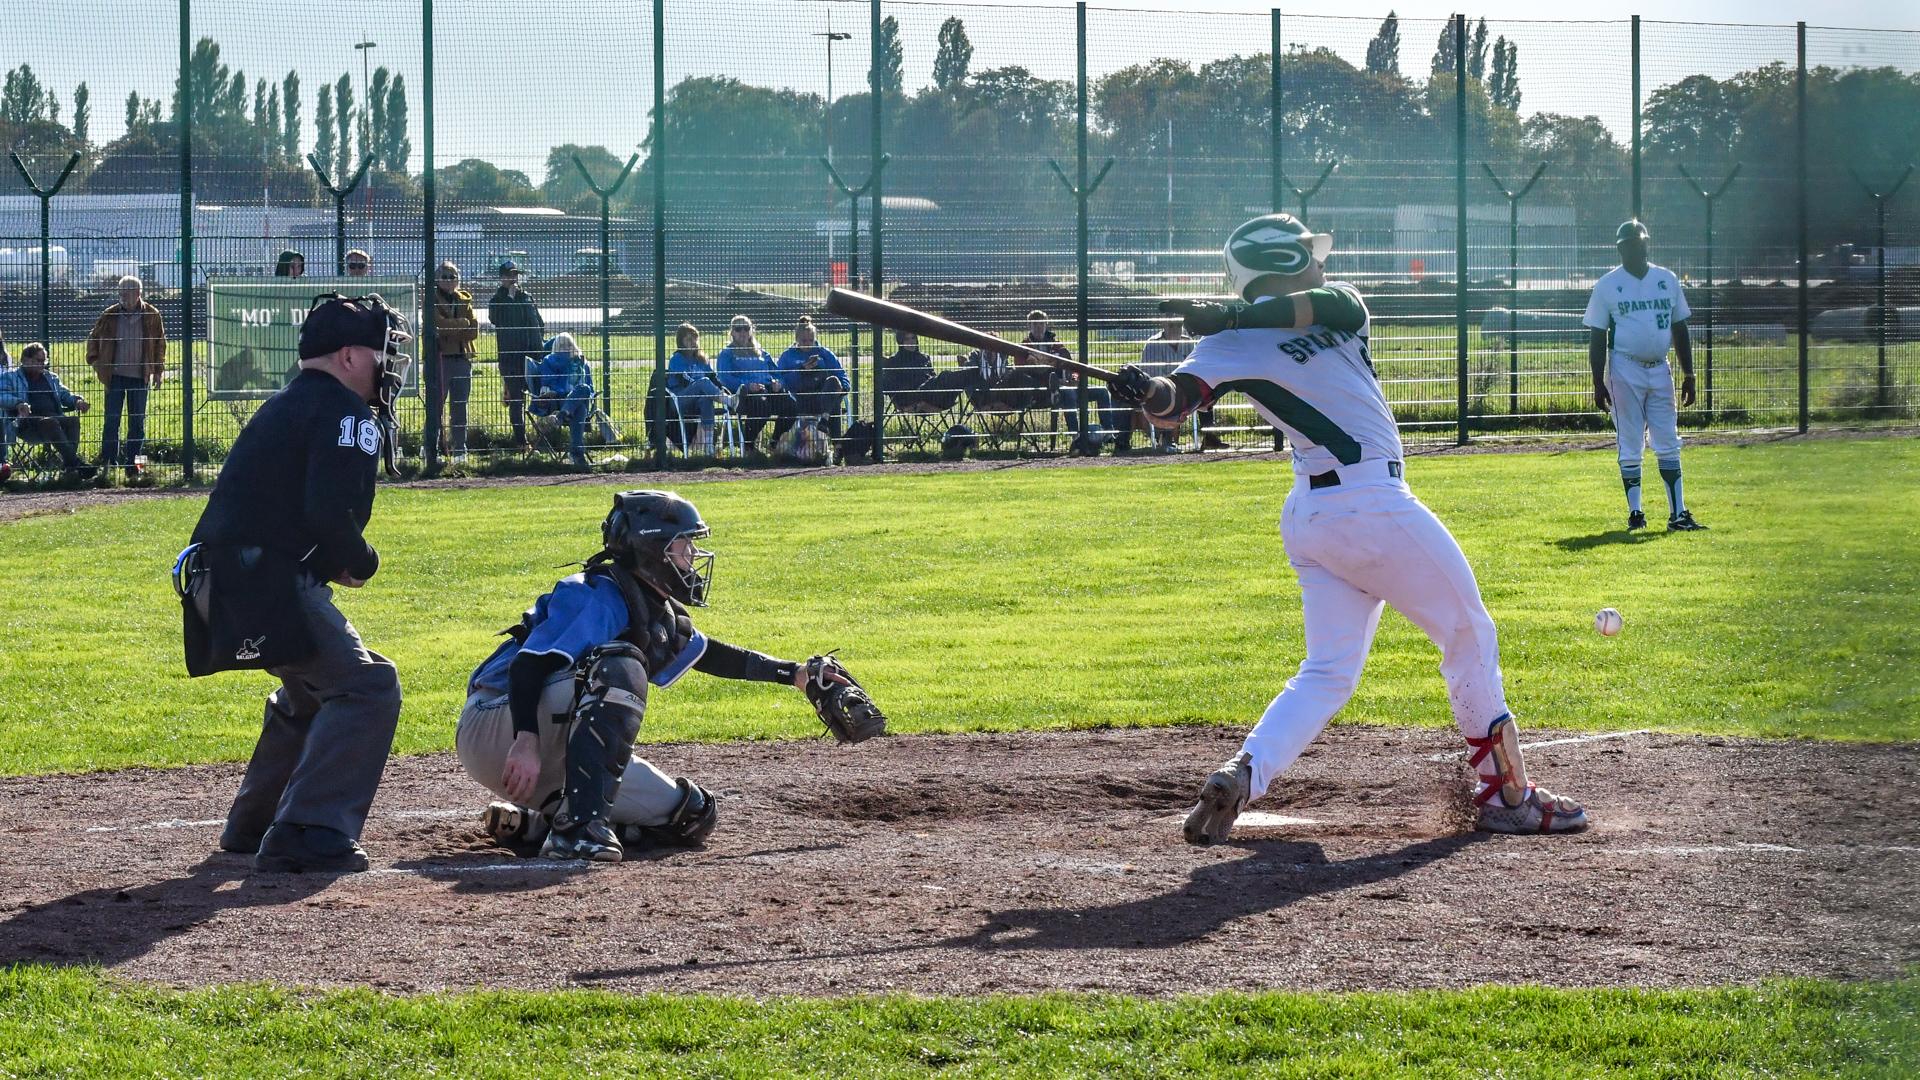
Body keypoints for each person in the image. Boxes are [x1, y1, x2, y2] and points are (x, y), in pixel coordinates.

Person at [1114, 213, 1589, 843]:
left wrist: (1226, 314)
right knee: (1469, 632)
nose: (1321, 263)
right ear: (1281, 260)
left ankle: (1242, 773)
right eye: (1308, 254)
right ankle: (1508, 796)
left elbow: (1326, 301)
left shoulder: (1336, 314)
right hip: (1368, 503)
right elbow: (1175, 409)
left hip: (1318, 517)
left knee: (1329, 671)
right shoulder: (1223, 347)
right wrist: (1146, 391)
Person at [459, 490, 855, 862]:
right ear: (653, 549)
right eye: (684, 545)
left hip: (550, 749)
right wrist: (525, 740)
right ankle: (576, 831)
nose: (694, 555)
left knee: (693, 815)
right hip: (499, 725)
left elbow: (709, 654)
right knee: (621, 665)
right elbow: (529, 665)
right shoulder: (597, 594)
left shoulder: (649, 607)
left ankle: (538, 826)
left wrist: (797, 675)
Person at [176, 293, 412, 873]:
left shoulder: (284, 403)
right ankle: (307, 829)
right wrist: (361, 560)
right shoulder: (346, 414)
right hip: (266, 578)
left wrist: (328, 556)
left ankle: (255, 822)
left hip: (225, 573)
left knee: (311, 689)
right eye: (384, 352)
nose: (389, 366)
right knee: (366, 686)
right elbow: (329, 511)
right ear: (351, 355)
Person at [1584, 220, 1705, 532]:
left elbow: (1679, 327)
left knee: (1667, 440)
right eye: (1632, 244)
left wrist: (1689, 373)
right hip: (1625, 368)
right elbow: (1598, 335)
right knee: (1631, 440)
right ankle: (1636, 512)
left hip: (1659, 368)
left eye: (1642, 243)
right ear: (1621, 248)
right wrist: (1598, 381)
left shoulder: (1666, 279)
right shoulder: (1608, 284)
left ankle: (1678, 513)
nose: (1639, 248)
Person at [84, 275, 166, 478]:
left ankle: (136, 468)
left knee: (138, 423)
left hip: (140, 376)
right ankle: (109, 466)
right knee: (111, 421)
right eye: (120, 292)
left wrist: (158, 371)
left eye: (127, 292)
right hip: (115, 377)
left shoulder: (152, 314)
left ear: (138, 293)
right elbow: (93, 338)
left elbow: (159, 344)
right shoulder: (109, 314)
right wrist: (95, 361)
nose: (122, 296)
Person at [1023, 309, 1117, 454]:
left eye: (1041, 324)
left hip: (1067, 385)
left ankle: (1109, 434)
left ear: (1046, 325)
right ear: (1029, 326)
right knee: (1068, 393)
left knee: (1102, 392)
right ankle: (1076, 436)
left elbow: (1074, 368)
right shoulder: (1025, 346)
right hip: (1045, 391)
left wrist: (1074, 379)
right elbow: (1023, 371)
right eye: (1035, 325)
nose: (1038, 328)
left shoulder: (1057, 344)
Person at [1, 342, 96, 481]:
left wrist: (77, 401)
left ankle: (71, 468)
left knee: (72, 421)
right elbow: (1, 395)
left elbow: (65, 395)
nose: (42, 364)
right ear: (25, 360)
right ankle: (75, 464)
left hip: (53, 419)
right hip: (27, 423)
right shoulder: (10, 377)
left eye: (44, 361)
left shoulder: (51, 378)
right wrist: (18, 403)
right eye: (38, 360)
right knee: (51, 422)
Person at [714, 315, 796, 462]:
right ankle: (749, 446)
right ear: (731, 332)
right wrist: (746, 385)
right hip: (745, 395)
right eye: (738, 329)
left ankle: (774, 443)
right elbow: (724, 378)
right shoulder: (727, 354)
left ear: (751, 330)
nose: (743, 332)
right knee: (761, 404)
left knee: (791, 405)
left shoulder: (762, 353)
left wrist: (778, 383)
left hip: (769, 390)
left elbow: (777, 373)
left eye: (746, 328)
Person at [487, 259, 545, 448]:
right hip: (510, 359)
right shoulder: (497, 301)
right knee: (516, 400)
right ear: (501, 278)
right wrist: (510, 299)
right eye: (508, 275)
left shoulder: (527, 297)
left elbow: (538, 322)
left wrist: (539, 344)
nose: (513, 278)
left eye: (515, 274)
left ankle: (544, 437)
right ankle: (521, 441)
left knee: (542, 395)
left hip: (531, 357)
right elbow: (497, 319)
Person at [1122, 314, 1194, 454]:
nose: (1176, 329)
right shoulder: (1153, 343)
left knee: (1206, 395)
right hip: (1159, 388)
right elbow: (1152, 376)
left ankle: (1209, 434)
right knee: (1162, 397)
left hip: (1184, 389)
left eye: (1179, 325)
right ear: (1163, 324)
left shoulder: (1189, 342)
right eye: (1171, 325)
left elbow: (1194, 370)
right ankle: (1166, 438)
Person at [430, 261, 478, 458]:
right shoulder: (431, 299)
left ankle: (460, 449)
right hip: (440, 359)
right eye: (445, 277)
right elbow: (439, 326)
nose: (449, 281)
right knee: (436, 407)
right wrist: (461, 324)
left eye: (453, 277)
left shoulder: (465, 299)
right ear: (437, 279)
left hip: (462, 359)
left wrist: (454, 328)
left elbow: (473, 330)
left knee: (460, 407)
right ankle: (432, 448)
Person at [529, 332, 595, 470]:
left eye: (567, 345)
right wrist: (566, 393)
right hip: (558, 401)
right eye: (563, 345)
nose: (565, 348)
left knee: (583, 390)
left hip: (564, 404)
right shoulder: (549, 361)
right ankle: (577, 454)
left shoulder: (581, 362)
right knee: (581, 406)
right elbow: (549, 383)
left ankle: (560, 417)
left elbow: (589, 387)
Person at [776, 315, 849, 437]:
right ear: (797, 339)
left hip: (823, 397)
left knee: (833, 383)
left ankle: (831, 434)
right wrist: (802, 369)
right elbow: (781, 379)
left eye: (811, 340)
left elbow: (841, 374)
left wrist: (844, 388)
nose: (808, 344)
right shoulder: (787, 356)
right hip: (800, 399)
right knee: (834, 404)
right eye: (804, 341)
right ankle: (838, 444)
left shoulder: (824, 353)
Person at [666, 322, 729, 455]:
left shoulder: (701, 359)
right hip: (680, 399)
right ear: (681, 342)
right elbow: (684, 381)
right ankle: (730, 401)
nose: (693, 342)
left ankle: (708, 447)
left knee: (706, 400)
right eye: (689, 339)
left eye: (695, 338)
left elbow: (713, 378)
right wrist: (701, 385)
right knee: (702, 383)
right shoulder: (676, 359)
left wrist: (722, 388)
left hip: (698, 400)